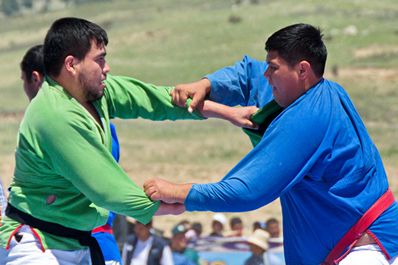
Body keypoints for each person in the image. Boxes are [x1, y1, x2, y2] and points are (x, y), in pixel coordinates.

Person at [0, 17, 257, 265]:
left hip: (79, 241)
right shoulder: (55, 115)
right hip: (37, 243)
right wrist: (176, 203)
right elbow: (106, 188)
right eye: (100, 60)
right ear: (71, 64)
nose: (107, 68)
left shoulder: (96, 93)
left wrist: (229, 113)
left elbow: (157, 101)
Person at [144, 23, 398, 264]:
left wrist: (179, 193)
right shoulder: (301, 93)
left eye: (273, 67)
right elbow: (248, 73)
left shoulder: (309, 116)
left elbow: (247, 191)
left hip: (365, 249)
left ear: (302, 70)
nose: (266, 74)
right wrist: (206, 84)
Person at [19, 44, 124, 265]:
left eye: (23, 81)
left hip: (68, 241)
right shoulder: (100, 125)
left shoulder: (51, 131)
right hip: (100, 240)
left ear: (36, 78)